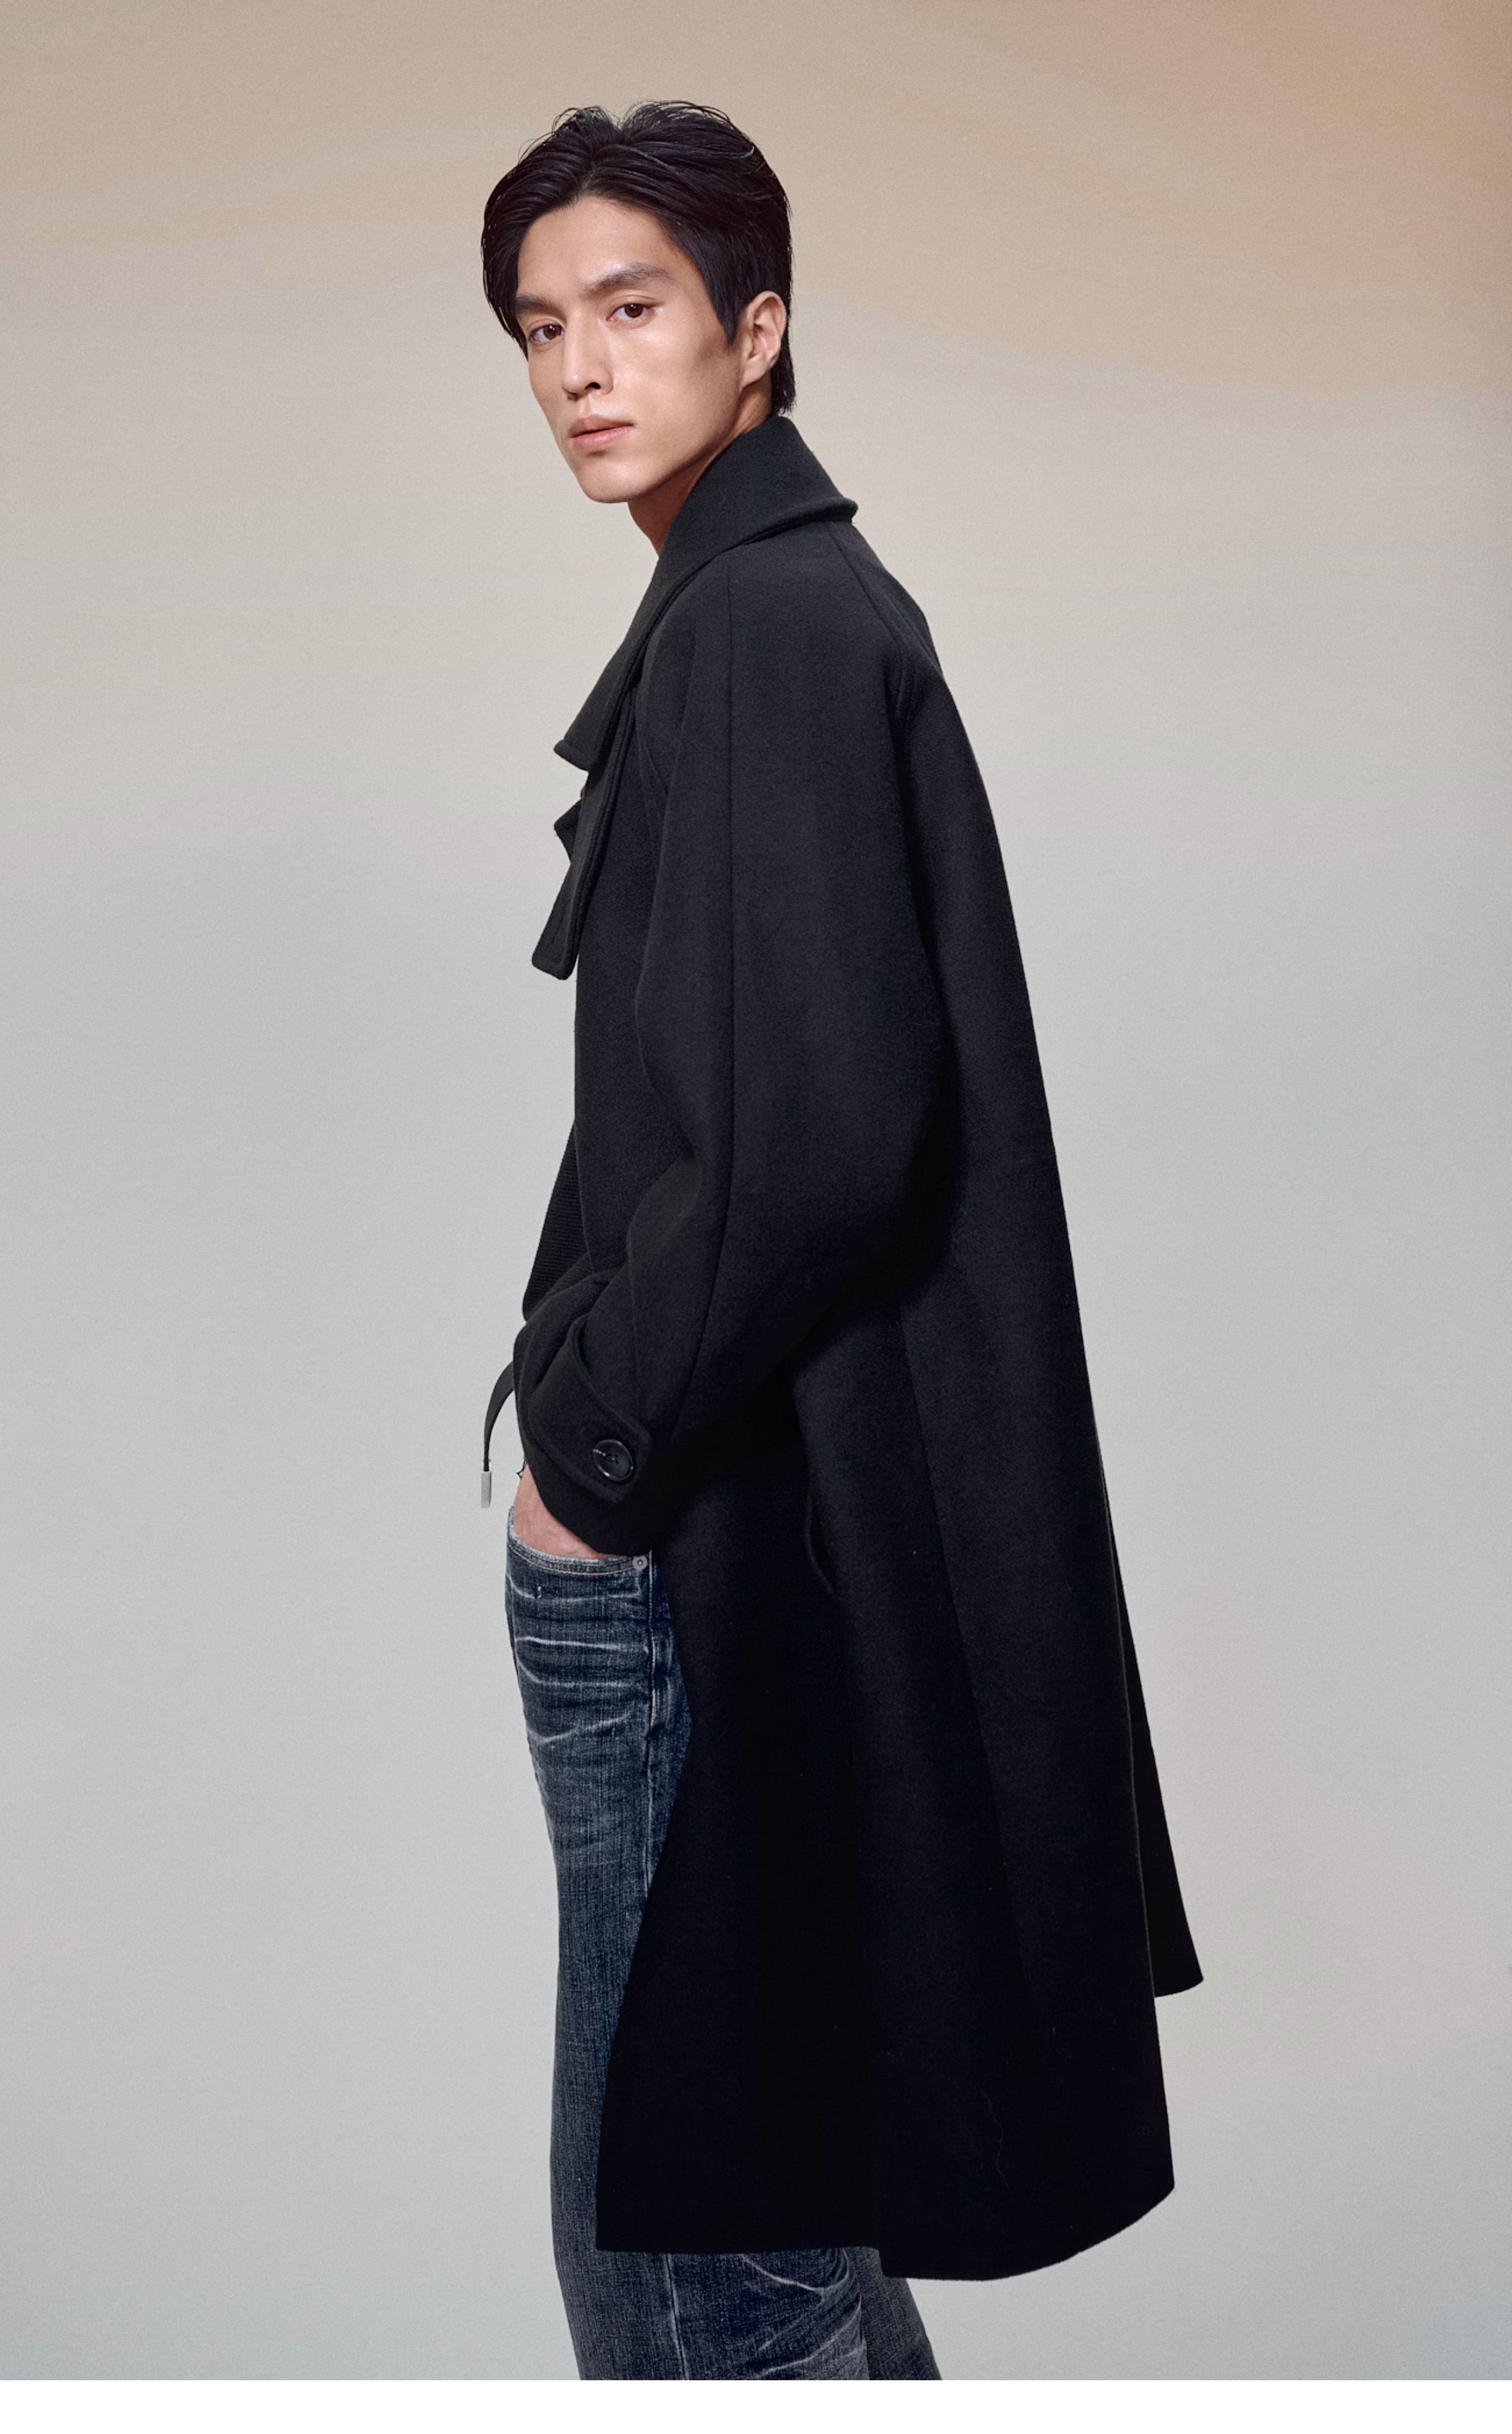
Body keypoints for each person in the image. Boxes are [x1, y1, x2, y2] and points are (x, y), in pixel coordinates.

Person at [478, 101, 1201, 2383]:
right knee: (752, 2196)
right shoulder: (770, 601)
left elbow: (820, 1138)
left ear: (758, 327)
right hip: (759, 1527)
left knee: (702, 2247)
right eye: (540, 328)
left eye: (633, 308)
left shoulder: (771, 624)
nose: (583, 367)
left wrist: (586, 1458)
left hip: (715, 1537)